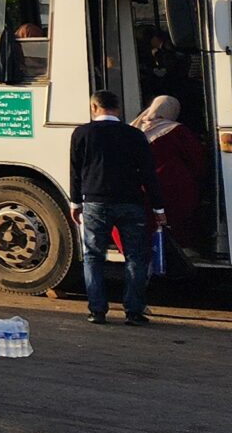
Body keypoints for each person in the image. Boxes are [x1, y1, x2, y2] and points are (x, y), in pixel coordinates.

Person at [70, 87, 159, 325]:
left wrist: (75, 202)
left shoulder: (81, 133)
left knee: (93, 256)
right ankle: (134, 311)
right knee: (135, 257)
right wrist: (158, 208)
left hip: (95, 203)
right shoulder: (135, 135)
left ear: (94, 107)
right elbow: (149, 174)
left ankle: (97, 311)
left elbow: (75, 172)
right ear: (118, 109)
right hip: (131, 203)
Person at [135, 96, 211, 254]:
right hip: (177, 186)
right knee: (179, 222)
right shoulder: (177, 130)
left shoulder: (135, 129)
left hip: (144, 187)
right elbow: (196, 158)